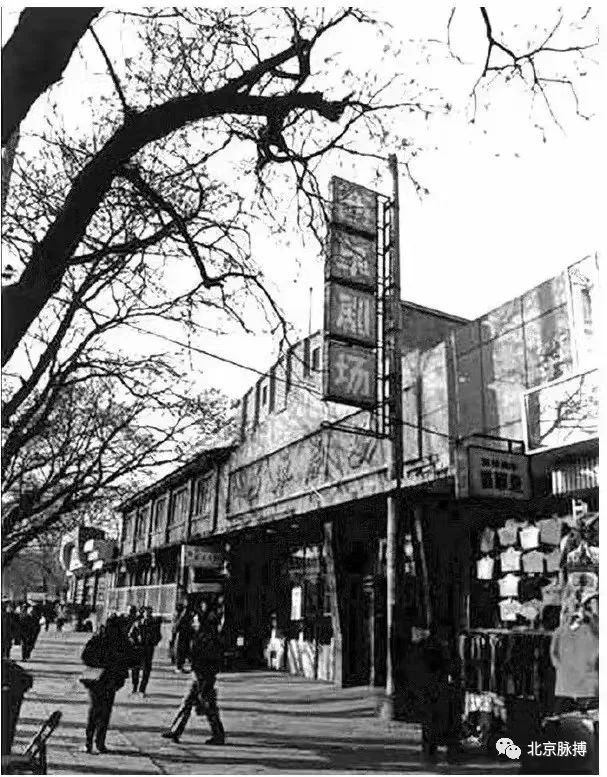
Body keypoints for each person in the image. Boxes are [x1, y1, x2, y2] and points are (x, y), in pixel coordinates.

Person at [161, 605, 225, 745]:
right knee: (188, 702)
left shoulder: (208, 638)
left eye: (195, 621)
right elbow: (178, 628)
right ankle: (176, 730)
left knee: (209, 705)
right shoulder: (199, 635)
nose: (193, 623)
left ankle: (218, 734)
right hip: (198, 674)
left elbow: (210, 658)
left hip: (205, 675)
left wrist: (203, 673)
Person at [80, 615, 139, 754]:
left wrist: (100, 663)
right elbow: (134, 660)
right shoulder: (120, 640)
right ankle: (99, 742)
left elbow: (85, 656)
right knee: (104, 712)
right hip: (108, 680)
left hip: (98, 680)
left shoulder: (100, 637)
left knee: (95, 711)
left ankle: (90, 742)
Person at [129, 606, 162, 696]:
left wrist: (152, 641)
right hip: (138, 648)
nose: (147, 614)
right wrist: (134, 641)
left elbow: (158, 636)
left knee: (146, 670)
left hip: (148, 649)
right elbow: (130, 635)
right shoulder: (137, 623)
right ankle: (134, 688)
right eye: (145, 612)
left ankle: (142, 689)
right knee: (135, 669)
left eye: (149, 612)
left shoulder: (154, 624)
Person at [171, 602, 193, 673]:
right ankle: (179, 666)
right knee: (180, 650)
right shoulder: (179, 614)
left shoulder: (186, 614)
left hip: (185, 634)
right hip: (180, 634)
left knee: (184, 650)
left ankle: (181, 666)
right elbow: (176, 625)